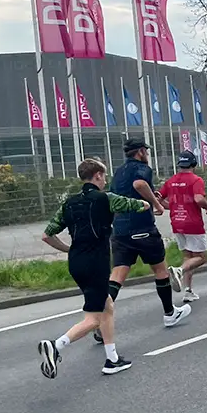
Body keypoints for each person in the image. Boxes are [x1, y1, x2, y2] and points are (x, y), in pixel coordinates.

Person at [38, 159, 151, 379]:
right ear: (98, 175)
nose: (105, 179)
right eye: (104, 176)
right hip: (96, 262)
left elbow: (46, 235)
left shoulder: (68, 204)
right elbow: (140, 205)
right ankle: (56, 345)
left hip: (76, 262)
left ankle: (112, 358)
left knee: (107, 306)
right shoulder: (106, 199)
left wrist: (68, 249)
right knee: (94, 318)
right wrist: (147, 203)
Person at [109, 138, 192, 329]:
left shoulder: (118, 172)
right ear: (140, 152)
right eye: (145, 151)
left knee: (117, 274)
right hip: (142, 227)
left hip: (120, 229)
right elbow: (139, 184)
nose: (147, 154)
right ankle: (169, 313)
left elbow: (121, 195)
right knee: (160, 270)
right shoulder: (142, 168)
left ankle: (99, 319)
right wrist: (156, 205)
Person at [159, 151, 207, 302]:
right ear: (194, 164)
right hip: (193, 223)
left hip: (177, 222)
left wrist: (172, 206)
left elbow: (158, 198)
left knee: (189, 256)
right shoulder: (196, 180)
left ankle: (188, 291)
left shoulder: (171, 181)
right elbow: (199, 199)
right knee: (202, 257)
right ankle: (179, 270)